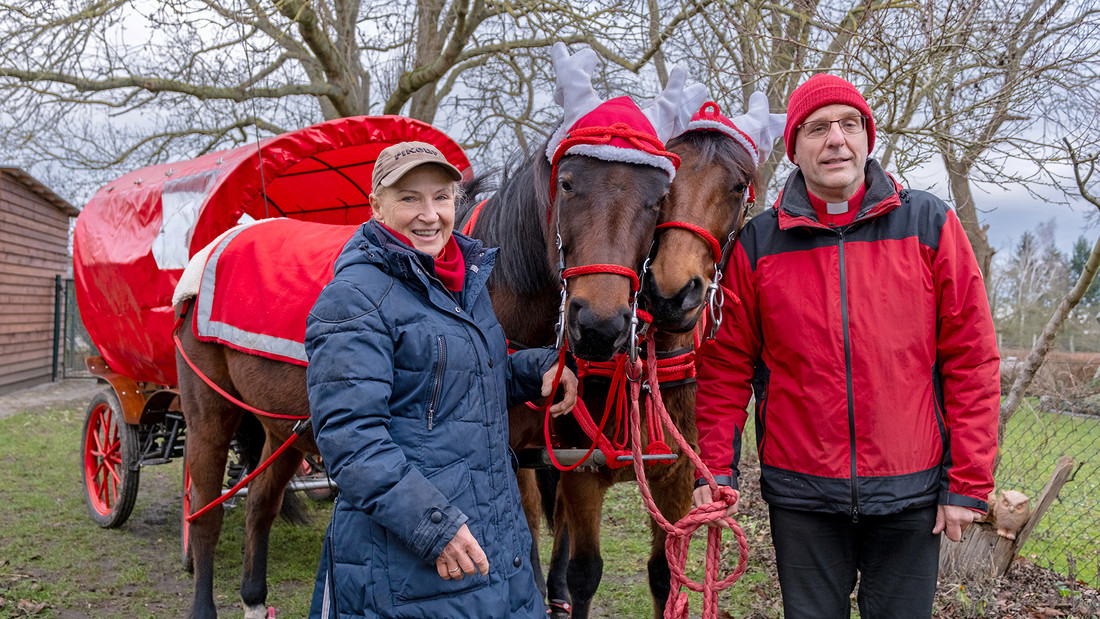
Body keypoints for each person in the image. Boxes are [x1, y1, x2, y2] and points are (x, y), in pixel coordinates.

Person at [691, 75, 1000, 618]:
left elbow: (972, 359)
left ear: (866, 138)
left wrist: (967, 482)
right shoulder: (759, 243)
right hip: (803, 500)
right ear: (795, 147)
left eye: (848, 124)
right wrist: (714, 469)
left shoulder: (928, 223)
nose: (835, 139)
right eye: (817, 128)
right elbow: (725, 370)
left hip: (912, 495)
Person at [305, 141, 578, 618]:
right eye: (409, 198)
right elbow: (352, 442)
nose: (429, 214)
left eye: (441, 197)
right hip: (412, 564)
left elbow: (462, 382)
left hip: (492, 542)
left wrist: (535, 368)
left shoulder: (461, 283)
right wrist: (434, 528)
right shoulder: (353, 300)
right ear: (377, 205)